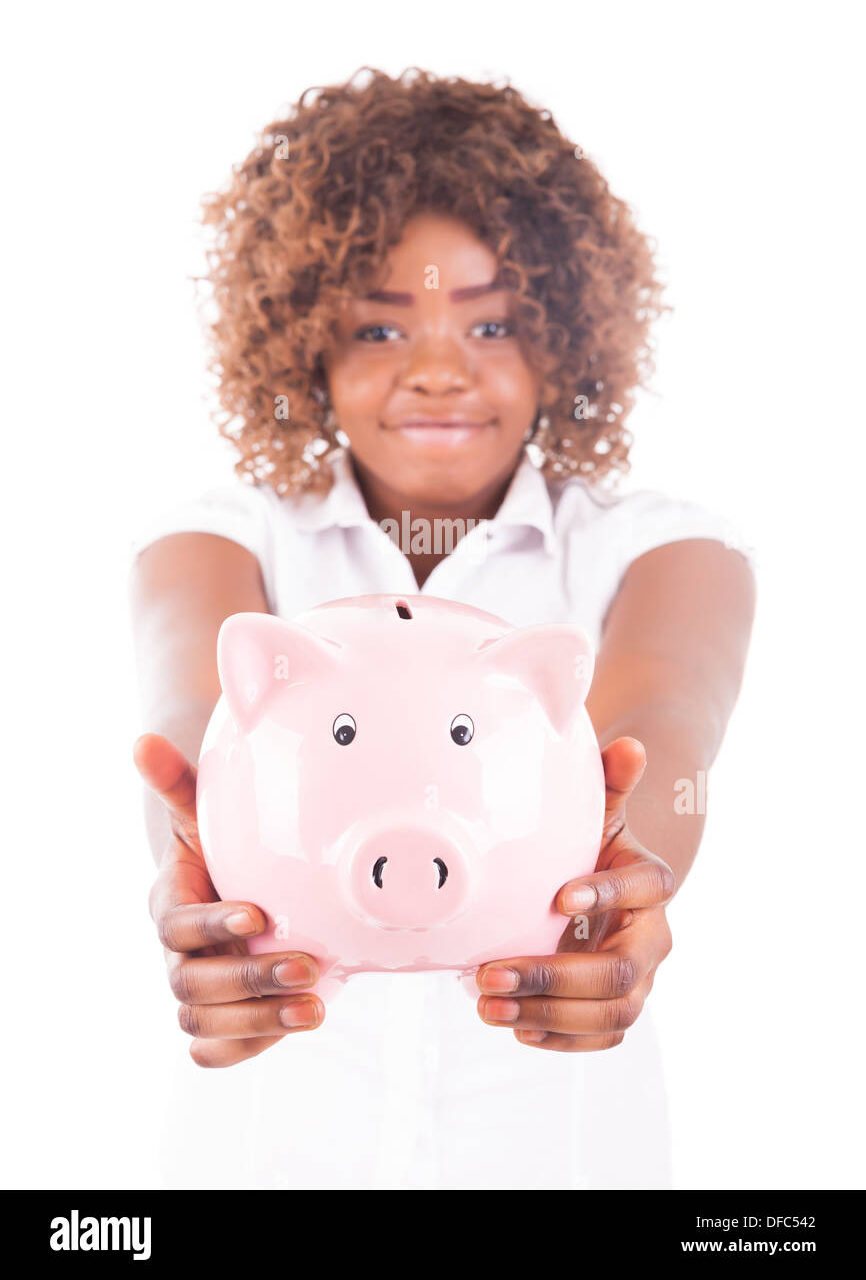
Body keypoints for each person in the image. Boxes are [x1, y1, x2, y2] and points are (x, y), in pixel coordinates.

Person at [130, 67, 756, 1189]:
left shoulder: (662, 550)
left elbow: (662, 727)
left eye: (493, 322)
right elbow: (196, 717)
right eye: (379, 323)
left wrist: (620, 882)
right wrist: (195, 870)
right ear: (300, 339)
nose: (435, 370)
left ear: (565, 337)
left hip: (557, 1156)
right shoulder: (220, 540)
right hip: (266, 1157)